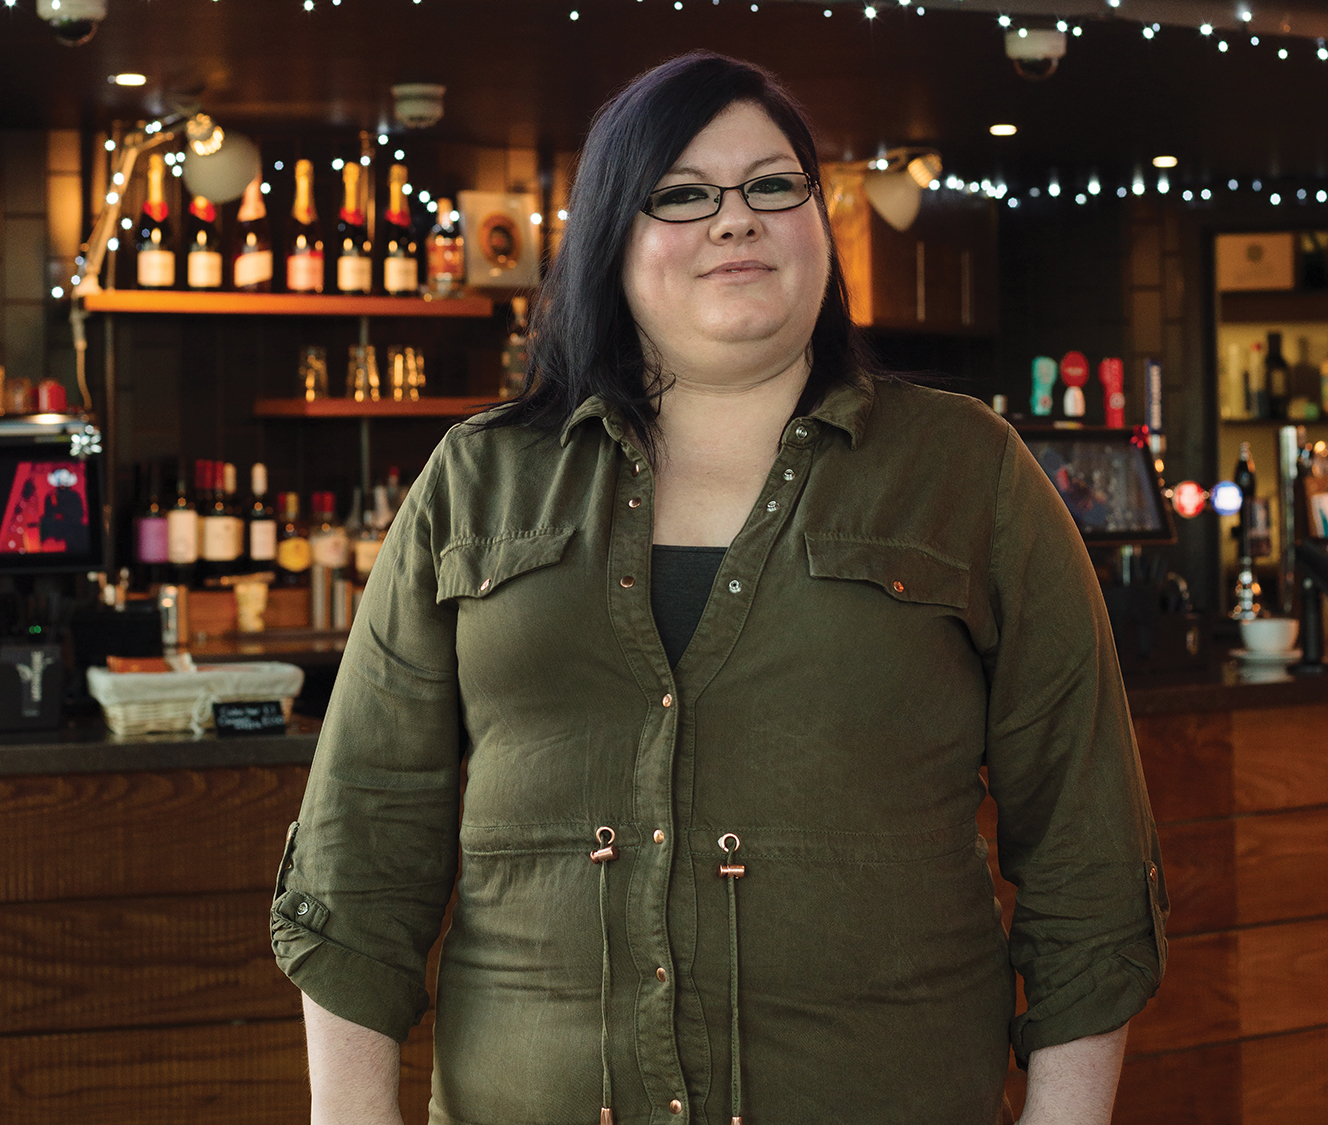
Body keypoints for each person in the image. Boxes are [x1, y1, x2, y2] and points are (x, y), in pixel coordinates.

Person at [273, 51, 1167, 1125]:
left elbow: (1088, 856)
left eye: (772, 185)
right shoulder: (480, 478)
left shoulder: (968, 472)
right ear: (612, 238)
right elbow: (361, 850)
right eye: (683, 195)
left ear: (816, 223)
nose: (734, 221)